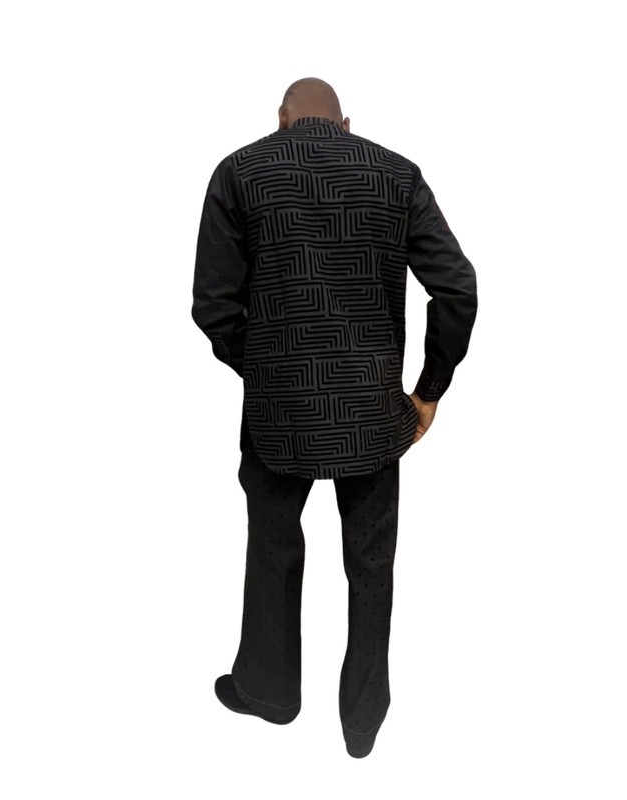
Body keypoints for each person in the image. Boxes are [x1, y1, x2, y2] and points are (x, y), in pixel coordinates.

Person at [191, 77, 478, 757]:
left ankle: (269, 693)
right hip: (373, 413)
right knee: (371, 564)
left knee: (272, 547)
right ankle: (363, 720)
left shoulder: (239, 173)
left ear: (281, 119)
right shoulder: (396, 174)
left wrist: (267, 369)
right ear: (346, 123)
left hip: (276, 414)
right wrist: (429, 389)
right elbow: (457, 287)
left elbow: (214, 305)